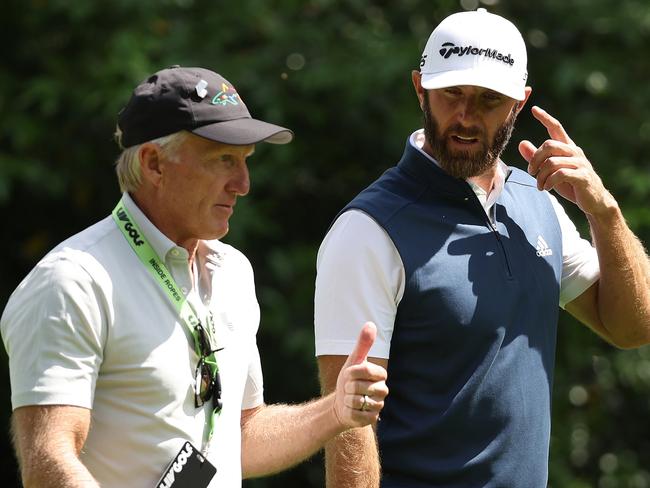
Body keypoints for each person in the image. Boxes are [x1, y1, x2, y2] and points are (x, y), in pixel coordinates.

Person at [1, 65, 389, 488]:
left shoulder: (233, 272)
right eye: (223, 159)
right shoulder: (72, 282)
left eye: (245, 162)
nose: (243, 184)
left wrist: (334, 411)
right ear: (154, 164)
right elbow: (48, 462)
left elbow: (242, 435)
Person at [314, 8, 650, 488]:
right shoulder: (367, 230)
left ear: (519, 103)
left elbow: (633, 327)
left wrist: (605, 212)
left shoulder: (539, 202)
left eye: (489, 100)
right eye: (452, 94)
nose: (466, 117)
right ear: (420, 88)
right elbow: (347, 423)